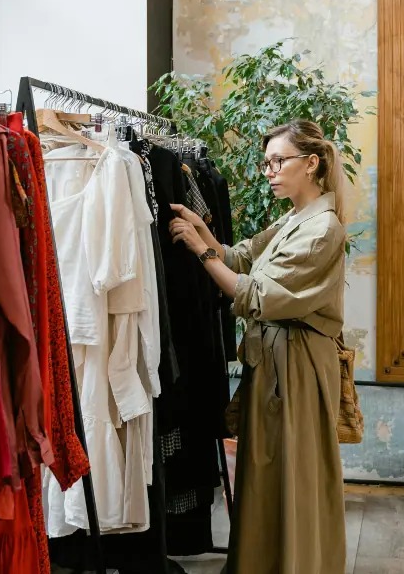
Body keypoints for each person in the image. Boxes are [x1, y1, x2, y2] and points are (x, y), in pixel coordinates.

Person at [169, 119, 347, 574]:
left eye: (277, 161)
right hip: (276, 362)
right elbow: (244, 256)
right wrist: (204, 232)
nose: (268, 170)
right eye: (266, 162)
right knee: (268, 472)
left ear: (311, 164)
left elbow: (257, 295)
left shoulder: (323, 229)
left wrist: (201, 251)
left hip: (298, 366)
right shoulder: (295, 217)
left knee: (294, 472)